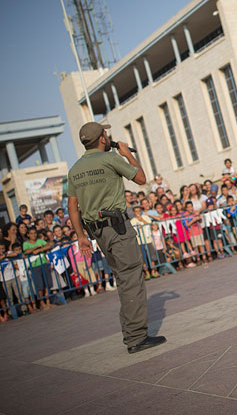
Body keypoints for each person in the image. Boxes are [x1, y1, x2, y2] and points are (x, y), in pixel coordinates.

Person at [67, 122, 166, 354]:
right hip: (118, 229)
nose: (107, 136)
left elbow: (72, 206)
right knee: (131, 280)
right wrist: (126, 155)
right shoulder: (109, 159)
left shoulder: (75, 169)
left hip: (98, 232)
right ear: (102, 139)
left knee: (123, 280)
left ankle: (129, 332)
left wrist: (80, 236)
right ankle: (136, 338)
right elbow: (141, 179)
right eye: (105, 133)